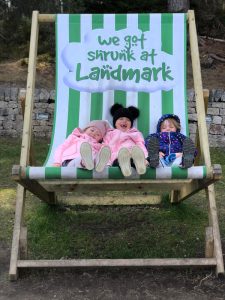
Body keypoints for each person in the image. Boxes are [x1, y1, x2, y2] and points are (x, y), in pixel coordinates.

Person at [103, 103, 148, 177]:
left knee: (135, 157)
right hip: (117, 156)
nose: (124, 121)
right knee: (120, 159)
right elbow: (105, 146)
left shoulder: (135, 133)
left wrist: (145, 157)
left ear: (131, 124)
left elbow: (141, 145)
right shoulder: (110, 133)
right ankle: (125, 165)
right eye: (121, 119)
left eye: (128, 120)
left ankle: (140, 164)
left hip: (133, 153)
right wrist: (107, 162)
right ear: (115, 122)